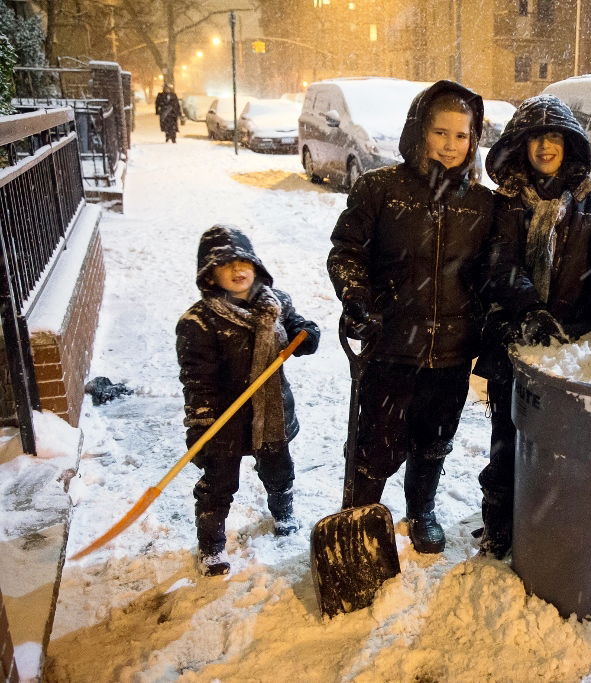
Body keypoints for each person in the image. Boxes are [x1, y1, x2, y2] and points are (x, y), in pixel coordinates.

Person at [326, 80, 493, 554]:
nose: (450, 145)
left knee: (433, 440)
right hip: (392, 345)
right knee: (377, 443)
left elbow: (490, 274)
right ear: (420, 132)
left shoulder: (482, 205)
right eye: (441, 132)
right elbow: (346, 253)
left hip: (454, 351)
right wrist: (357, 298)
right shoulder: (380, 189)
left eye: (462, 136)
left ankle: (421, 509)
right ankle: (360, 516)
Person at [475, 94, 591, 559]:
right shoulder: (505, 204)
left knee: (564, 442)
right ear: (522, 145)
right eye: (536, 137)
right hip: (514, 339)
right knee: (507, 437)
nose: (545, 147)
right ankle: (500, 521)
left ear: (569, 145)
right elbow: (498, 263)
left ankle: (552, 522)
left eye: (555, 137)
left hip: (570, 345)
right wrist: (526, 310)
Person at [177, 224, 321, 577]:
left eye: (244, 262)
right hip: (226, 419)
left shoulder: (275, 303)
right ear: (210, 274)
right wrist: (200, 426)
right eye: (226, 265)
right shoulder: (199, 322)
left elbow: (299, 327)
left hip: (271, 411)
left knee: (279, 471)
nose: (237, 271)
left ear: (256, 266)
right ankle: (211, 545)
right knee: (218, 484)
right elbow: (198, 382)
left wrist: (308, 335)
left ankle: (283, 512)